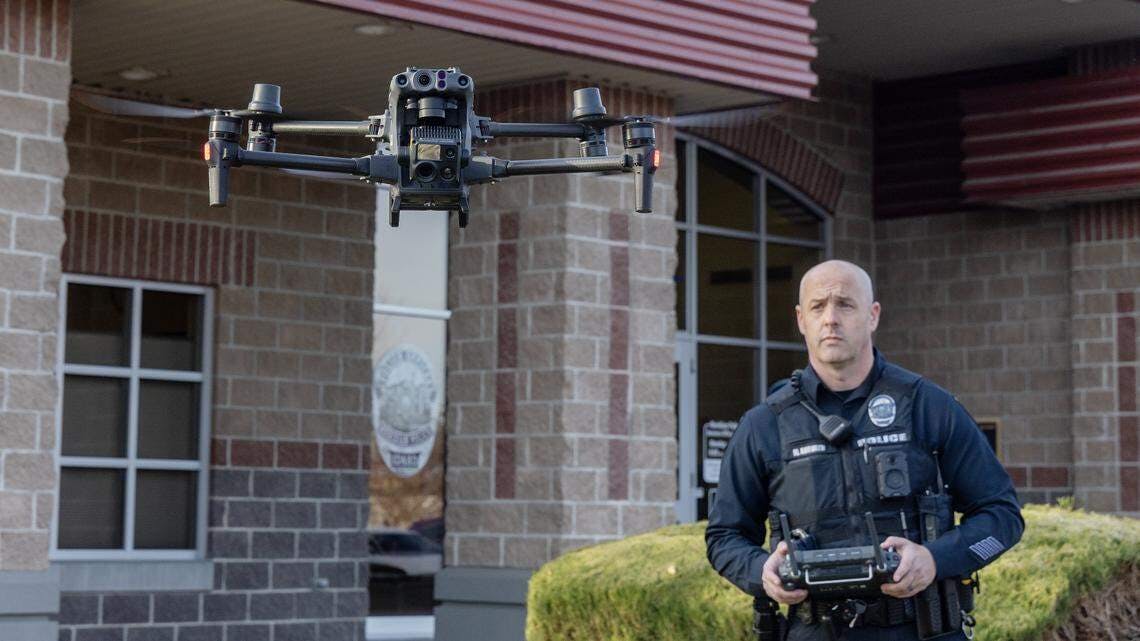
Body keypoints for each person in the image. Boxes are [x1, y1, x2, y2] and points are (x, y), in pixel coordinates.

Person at [705, 260, 1023, 641]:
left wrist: (934, 560)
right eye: (818, 307)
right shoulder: (764, 425)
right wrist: (762, 572)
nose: (831, 319)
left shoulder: (928, 406)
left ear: (873, 316)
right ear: (801, 320)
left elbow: (1003, 517)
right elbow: (724, 537)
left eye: (845, 304)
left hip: (920, 629)